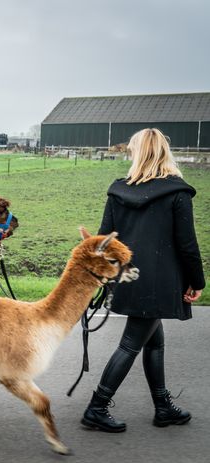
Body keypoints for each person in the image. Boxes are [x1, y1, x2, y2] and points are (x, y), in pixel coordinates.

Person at [81, 128, 205, 433]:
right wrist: (196, 282)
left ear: (137, 154)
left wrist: (105, 276)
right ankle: (96, 408)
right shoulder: (177, 193)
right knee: (130, 344)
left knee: (154, 342)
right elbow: (187, 245)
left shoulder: (118, 191)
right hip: (160, 282)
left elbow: (104, 239)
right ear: (164, 152)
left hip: (129, 277)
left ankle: (163, 406)